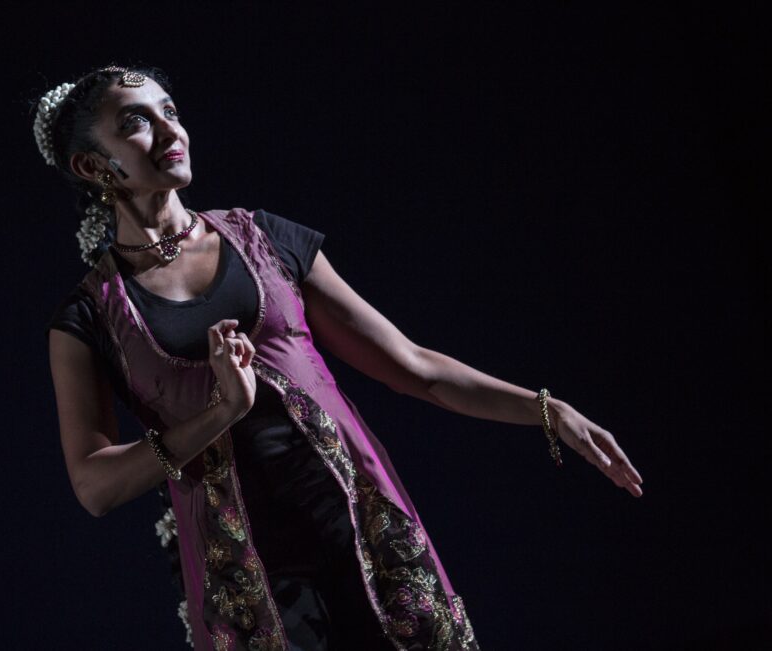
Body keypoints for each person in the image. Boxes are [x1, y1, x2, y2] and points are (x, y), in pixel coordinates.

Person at [39, 64, 643, 651]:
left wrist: (547, 410)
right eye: (137, 123)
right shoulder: (91, 317)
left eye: (171, 112)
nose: (171, 133)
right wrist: (222, 413)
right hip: (254, 586)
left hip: (363, 536)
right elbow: (95, 484)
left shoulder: (264, 240)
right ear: (93, 165)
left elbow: (416, 369)